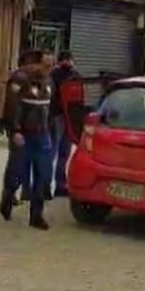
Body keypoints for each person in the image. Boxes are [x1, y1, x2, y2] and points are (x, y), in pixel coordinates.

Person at [0, 49, 53, 230]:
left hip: (42, 133)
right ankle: (8, 196)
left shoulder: (47, 81)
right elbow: (12, 107)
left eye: (50, 65)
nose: (49, 68)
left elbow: (48, 108)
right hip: (24, 134)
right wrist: (14, 130)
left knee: (42, 173)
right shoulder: (19, 79)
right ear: (34, 63)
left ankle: (37, 215)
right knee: (16, 170)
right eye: (46, 64)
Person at [47, 50, 82, 198]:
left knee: (62, 152)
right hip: (60, 117)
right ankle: (50, 185)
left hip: (64, 117)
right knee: (56, 152)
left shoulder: (70, 75)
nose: (68, 63)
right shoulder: (58, 75)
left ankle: (58, 186)